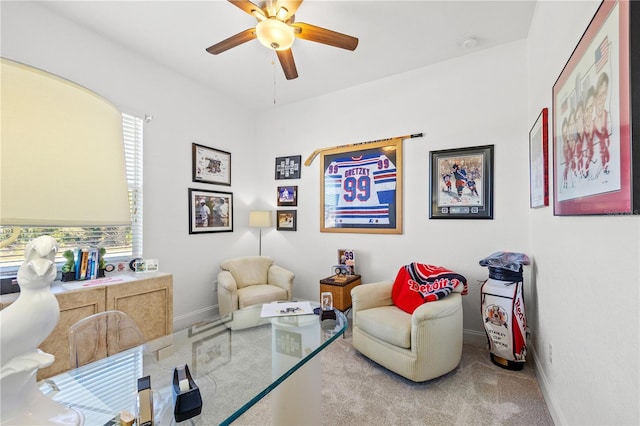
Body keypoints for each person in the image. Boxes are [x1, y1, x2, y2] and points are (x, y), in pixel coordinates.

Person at [593, 72, 611, 176]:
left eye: (604, 94)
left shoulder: (610, 120)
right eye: (599, 95)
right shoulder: (589, 130)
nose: (601, 99)